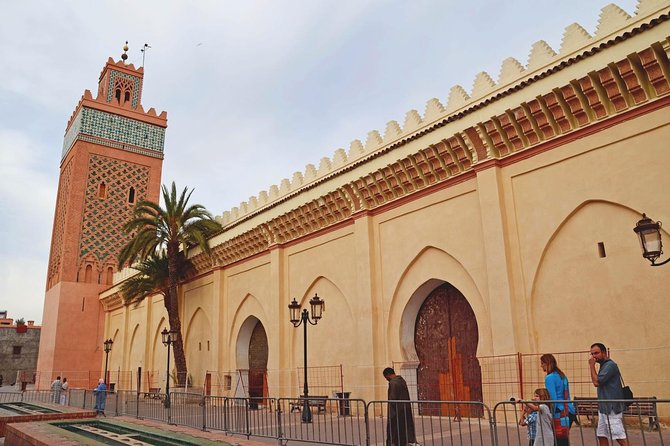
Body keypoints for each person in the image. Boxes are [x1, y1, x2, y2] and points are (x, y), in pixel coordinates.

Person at [589, 343, 629, 446]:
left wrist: (591, 366)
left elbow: (596, 382)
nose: (594, 356)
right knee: (601, 434)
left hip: (612, 407)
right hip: (603, 407)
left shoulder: (610, 365)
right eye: (592, 354)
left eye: (596, 353)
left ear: (604, 352)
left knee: (619, 436)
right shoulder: (603, 366)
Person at [540, 354, 577, 446]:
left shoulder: (549, 378)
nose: (541, 366)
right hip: (569, 410)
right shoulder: (562, 375)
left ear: (547, 363)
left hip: (559, 412)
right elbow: (567, 394)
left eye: (542, 363)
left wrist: (550, 414)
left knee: (558, 441)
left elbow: (553, 398)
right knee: (564, 440)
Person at [383, 367, 417, 446]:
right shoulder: (402, 381)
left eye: (386, 377)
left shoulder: (393, 383)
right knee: (403, 433)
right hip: (404, 411)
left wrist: (391, 415)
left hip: (396, 413)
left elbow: (393, 399)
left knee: (394, 434)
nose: (386, 379)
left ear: (388, 375)